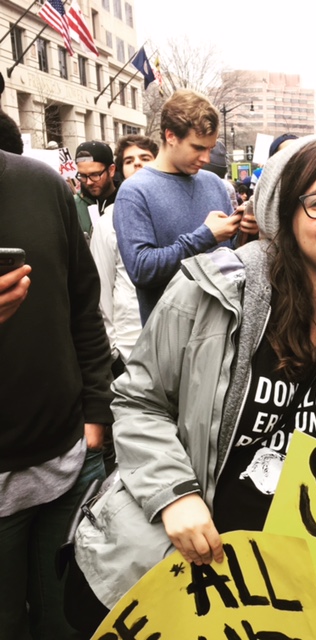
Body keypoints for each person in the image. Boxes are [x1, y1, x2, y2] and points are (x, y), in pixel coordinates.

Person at [74, 136, 316, 618]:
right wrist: (175, 496)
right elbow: (138, 401)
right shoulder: (210, 290)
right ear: (281, 214)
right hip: (177, 564)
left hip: (280, 590)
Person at [0, 149, 113, 639]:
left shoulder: (42, 185)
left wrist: (95, 413)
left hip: (68, 463)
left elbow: (84, 307)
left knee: (67, 622)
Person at [114, 89, 240, 325]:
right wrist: (205, 236)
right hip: (171, 342)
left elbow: (230, 257)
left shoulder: (213, 183)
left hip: (224, 332)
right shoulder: (134, 191)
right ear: (171, 136)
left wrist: (246, 233)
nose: (206, 158)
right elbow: (142, 270)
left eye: (210, 149)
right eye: (198, 148)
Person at [90, 134, 158, 380]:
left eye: (145, 158)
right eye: (129, 160)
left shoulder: (167, 211)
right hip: (130, 350)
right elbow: (101, 289)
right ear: (120, 170)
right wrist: (113, 351)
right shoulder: (108, 221)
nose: (137, 164)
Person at [73, 140, 118, 239]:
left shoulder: (126, 203)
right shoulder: (72, 206)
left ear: (111, 170)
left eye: (95, 175)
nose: (88, 182)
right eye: (83, 176)